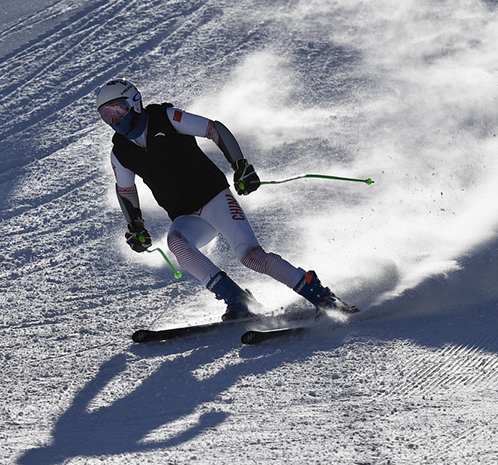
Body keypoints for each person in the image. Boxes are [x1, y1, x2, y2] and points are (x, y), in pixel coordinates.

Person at [94, 79, 357, 321]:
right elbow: (126, 190)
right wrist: (136, 226)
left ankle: (321, 296)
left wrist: (240, 165)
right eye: (107, 116)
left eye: (117, 110)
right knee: (177, 242)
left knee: (251, 257)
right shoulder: (121, 152)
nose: (114, 120)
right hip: (186, 216)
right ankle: (237, 299)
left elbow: (213, 129)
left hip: (216, 198)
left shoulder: (166, 117)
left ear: (134, 102)